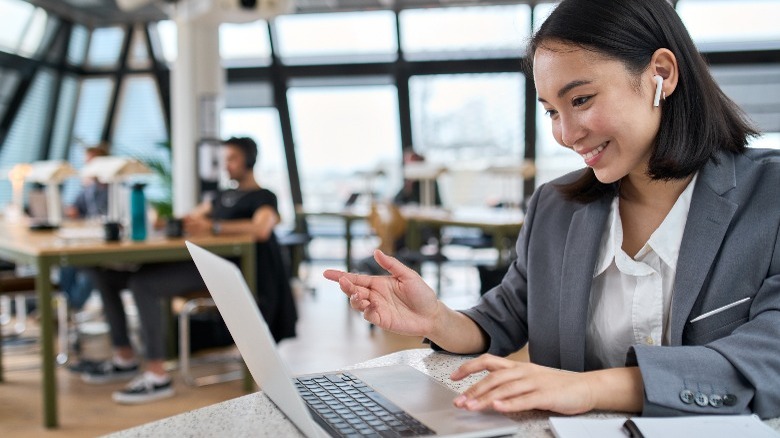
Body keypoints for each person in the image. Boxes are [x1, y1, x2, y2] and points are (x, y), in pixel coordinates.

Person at [325, 0, 780, 420]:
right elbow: (505, 317)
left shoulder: (770, 194)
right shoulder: (555, 206)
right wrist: (437, 319)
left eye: (580, 100)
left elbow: (769, 359)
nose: (566, 134)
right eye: (551, 112)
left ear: (661, 72)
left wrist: (588, 389)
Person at [81, 137, 297, 404]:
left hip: (225, 270)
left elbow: (262, 229)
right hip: (199, 261)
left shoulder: (264, 197)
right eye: (224, 160)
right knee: (106, 276)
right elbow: (192, 218)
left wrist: (214, 227)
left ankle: (157, 375)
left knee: (142, 284)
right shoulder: (220, 196)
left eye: (232, 159)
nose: (226, 165)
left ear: (249, 161)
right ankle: (124, 356)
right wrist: (164, 221)